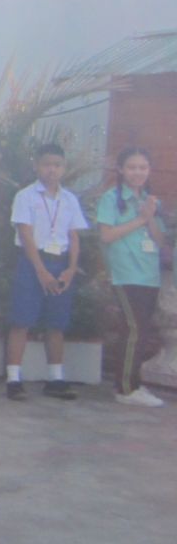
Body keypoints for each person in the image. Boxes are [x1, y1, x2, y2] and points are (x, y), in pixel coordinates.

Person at [5, 142, 88, 402]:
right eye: (47, 164)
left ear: (64, 167)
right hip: (33, 263)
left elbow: (74, 236)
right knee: (22, 321)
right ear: (36, 166)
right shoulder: (26, 196)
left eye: (57, 165)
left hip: (60, 263)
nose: (52, 170)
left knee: (56, 323)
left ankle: (55, 379)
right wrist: (40, 270)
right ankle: (13, 379)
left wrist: (71, 269)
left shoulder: (70, 199)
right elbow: (25, 234)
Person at [95, 146, 167, 407]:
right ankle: (125, 389)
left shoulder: (150, 200)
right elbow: (106, 235)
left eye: (143, 167)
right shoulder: (111, 198)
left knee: (141, 330)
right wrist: (140, 219)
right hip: (126, 273)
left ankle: (134, 383)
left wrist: (150, 217)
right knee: (134, 328)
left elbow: (160, 240)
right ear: (121, 170)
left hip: (149, 274)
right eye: (132, 167)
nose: (138, 172)